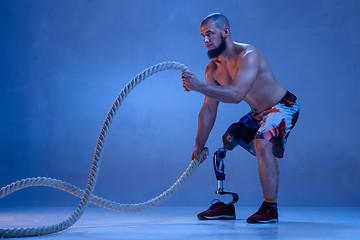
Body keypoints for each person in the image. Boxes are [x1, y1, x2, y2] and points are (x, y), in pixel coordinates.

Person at [181, 13, 300, 223]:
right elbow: (209, 108)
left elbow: (236, 95)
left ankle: (270, 207)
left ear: (225, 32)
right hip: (257, 114)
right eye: (202, 36)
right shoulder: (213, 70)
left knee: (262, 140)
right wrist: (199, 146)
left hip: (283, 106)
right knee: (227, 142)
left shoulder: (249, 55)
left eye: (210, 34)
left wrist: (199, 87)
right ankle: (225, 204)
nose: (205, 40)